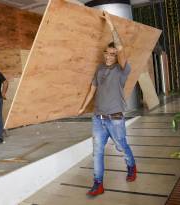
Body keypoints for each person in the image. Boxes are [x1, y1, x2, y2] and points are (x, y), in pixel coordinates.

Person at [78, 12, 136, 196]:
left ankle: (131, 166)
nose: (110, 56)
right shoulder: (100, 68)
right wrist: (82, 107)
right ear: (104, 53)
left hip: (116, 118)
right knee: (97, 152)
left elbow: (120, 47)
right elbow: (93, 89)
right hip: (98, 118)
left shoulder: (122, 69)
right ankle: (98, 184)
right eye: (108, 53)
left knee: (121, 147)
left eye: (113, 54)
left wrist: (110, 23)